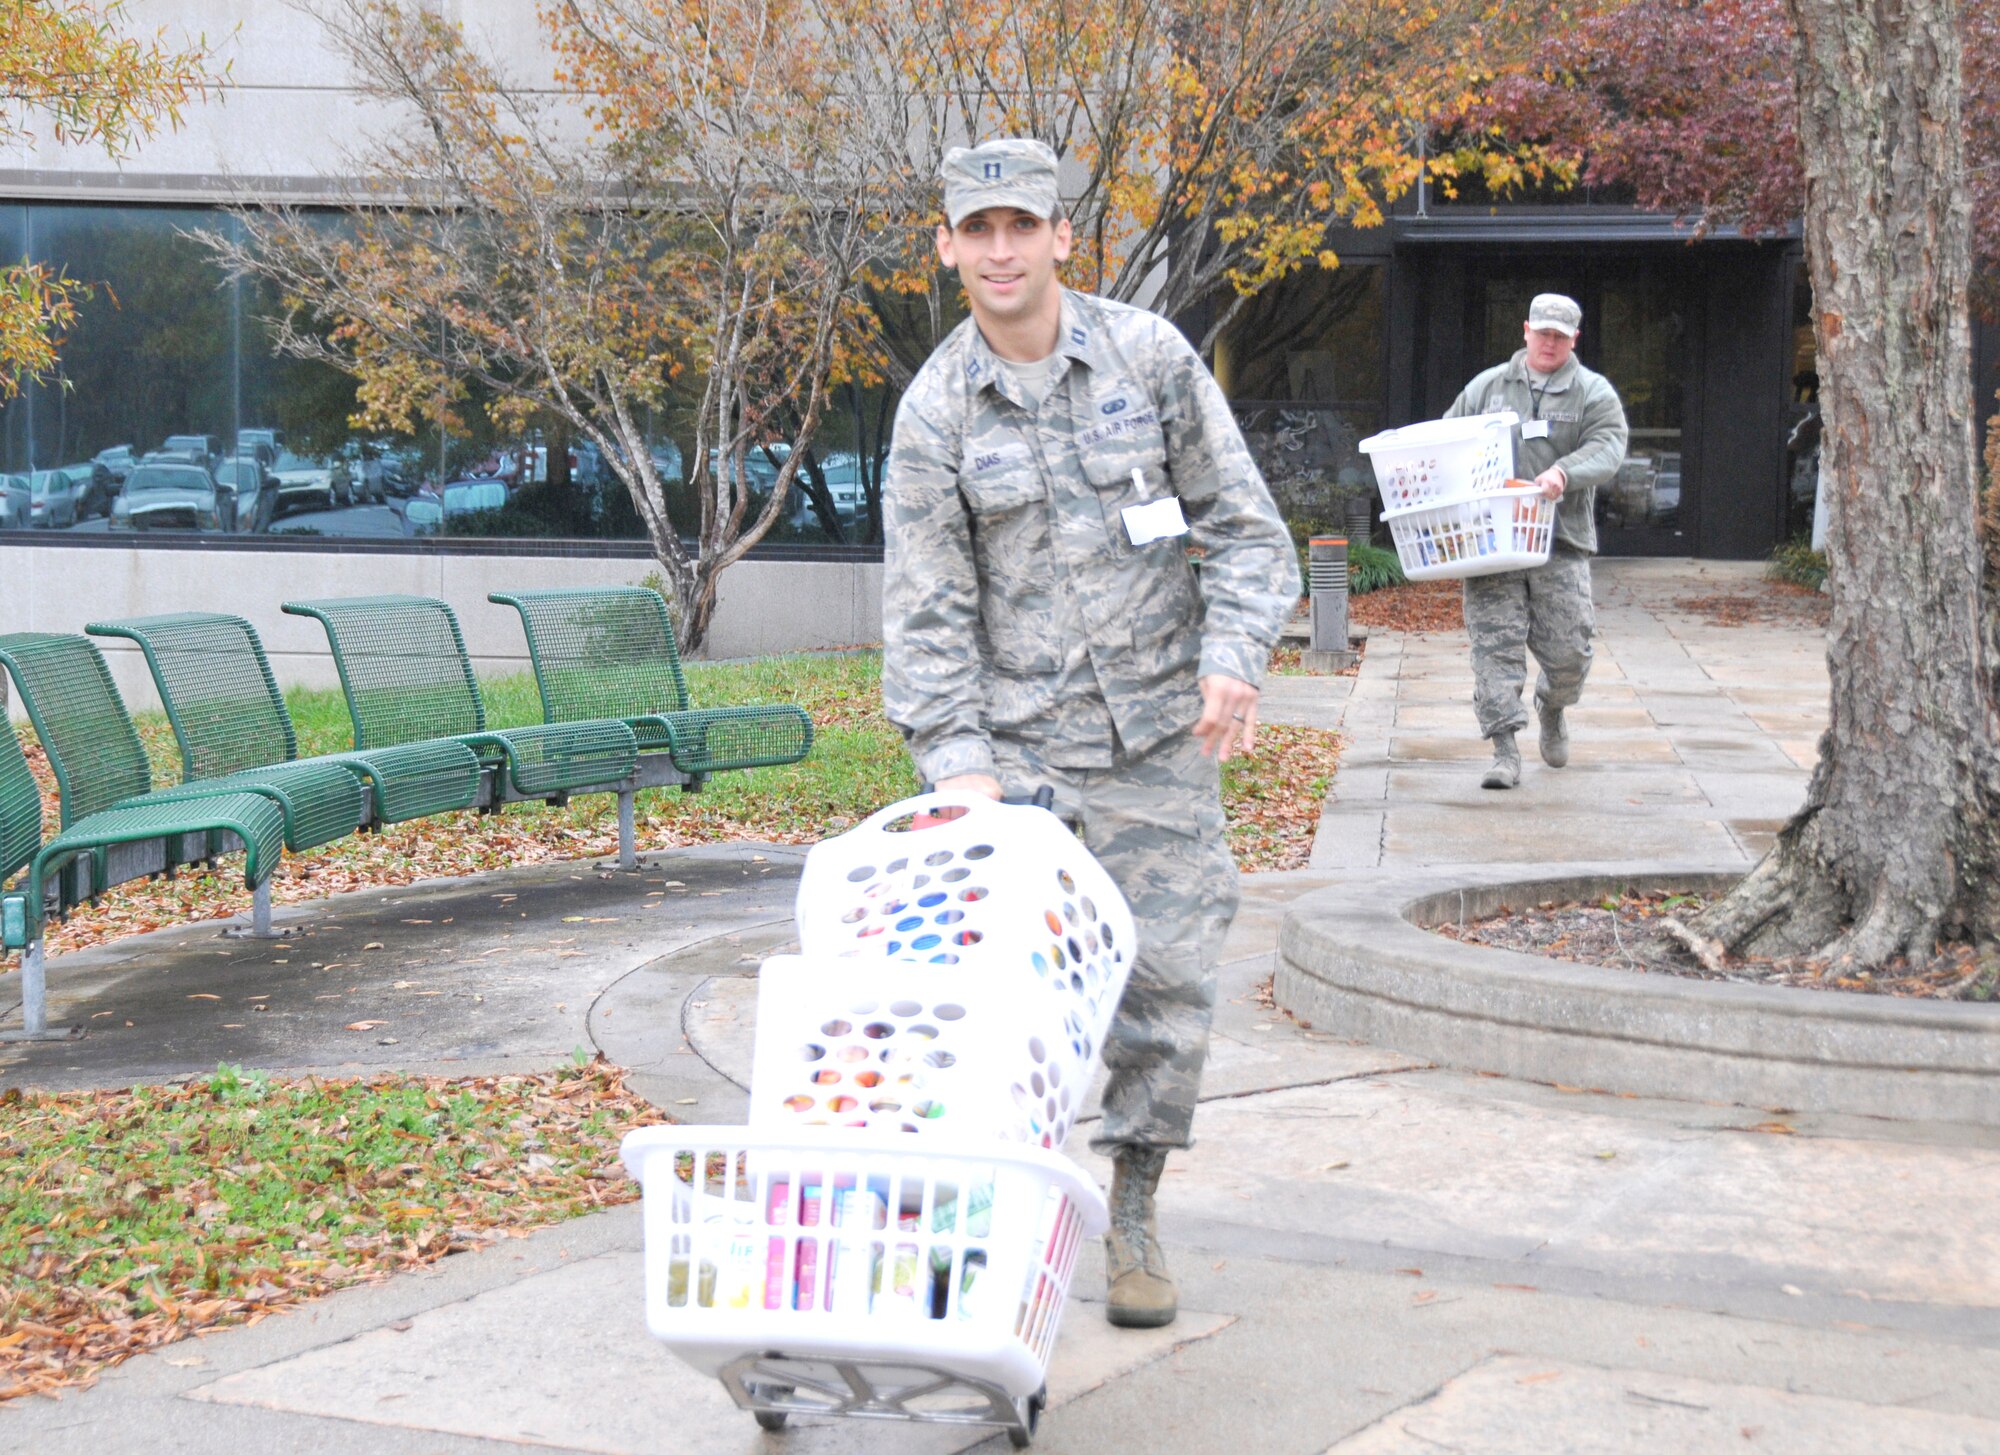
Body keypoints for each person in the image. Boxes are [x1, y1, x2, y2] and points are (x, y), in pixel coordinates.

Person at [880, 138, 1295, 1329]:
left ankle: (1135, 1211)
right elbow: (924, 605)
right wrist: (954, 763)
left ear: (1062, 237)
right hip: (1014, 758)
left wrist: (1231, 660)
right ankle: (993, 1222)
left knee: (1165, 989)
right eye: (978, 231)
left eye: (1023, 227)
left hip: (1161, 738)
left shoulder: (1147, 358)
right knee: (998, 1011)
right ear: (949, 246)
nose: (1000, 251)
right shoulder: (935, 411)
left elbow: (1249, 532)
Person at [1443, 293, 1628, 789]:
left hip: (1559, 542)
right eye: (1542, 332)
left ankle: (1553, 705)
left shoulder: (1593, 393)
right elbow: (1448, 438)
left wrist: (1564, 473)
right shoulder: (1487, 387)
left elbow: (1609, 447)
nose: (1549, 343)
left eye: (1559, 337)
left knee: (1570, 650)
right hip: (1492, 544)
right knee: (1494, 648)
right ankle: (1505, 751)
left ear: (1574, 340)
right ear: (1525, 330)